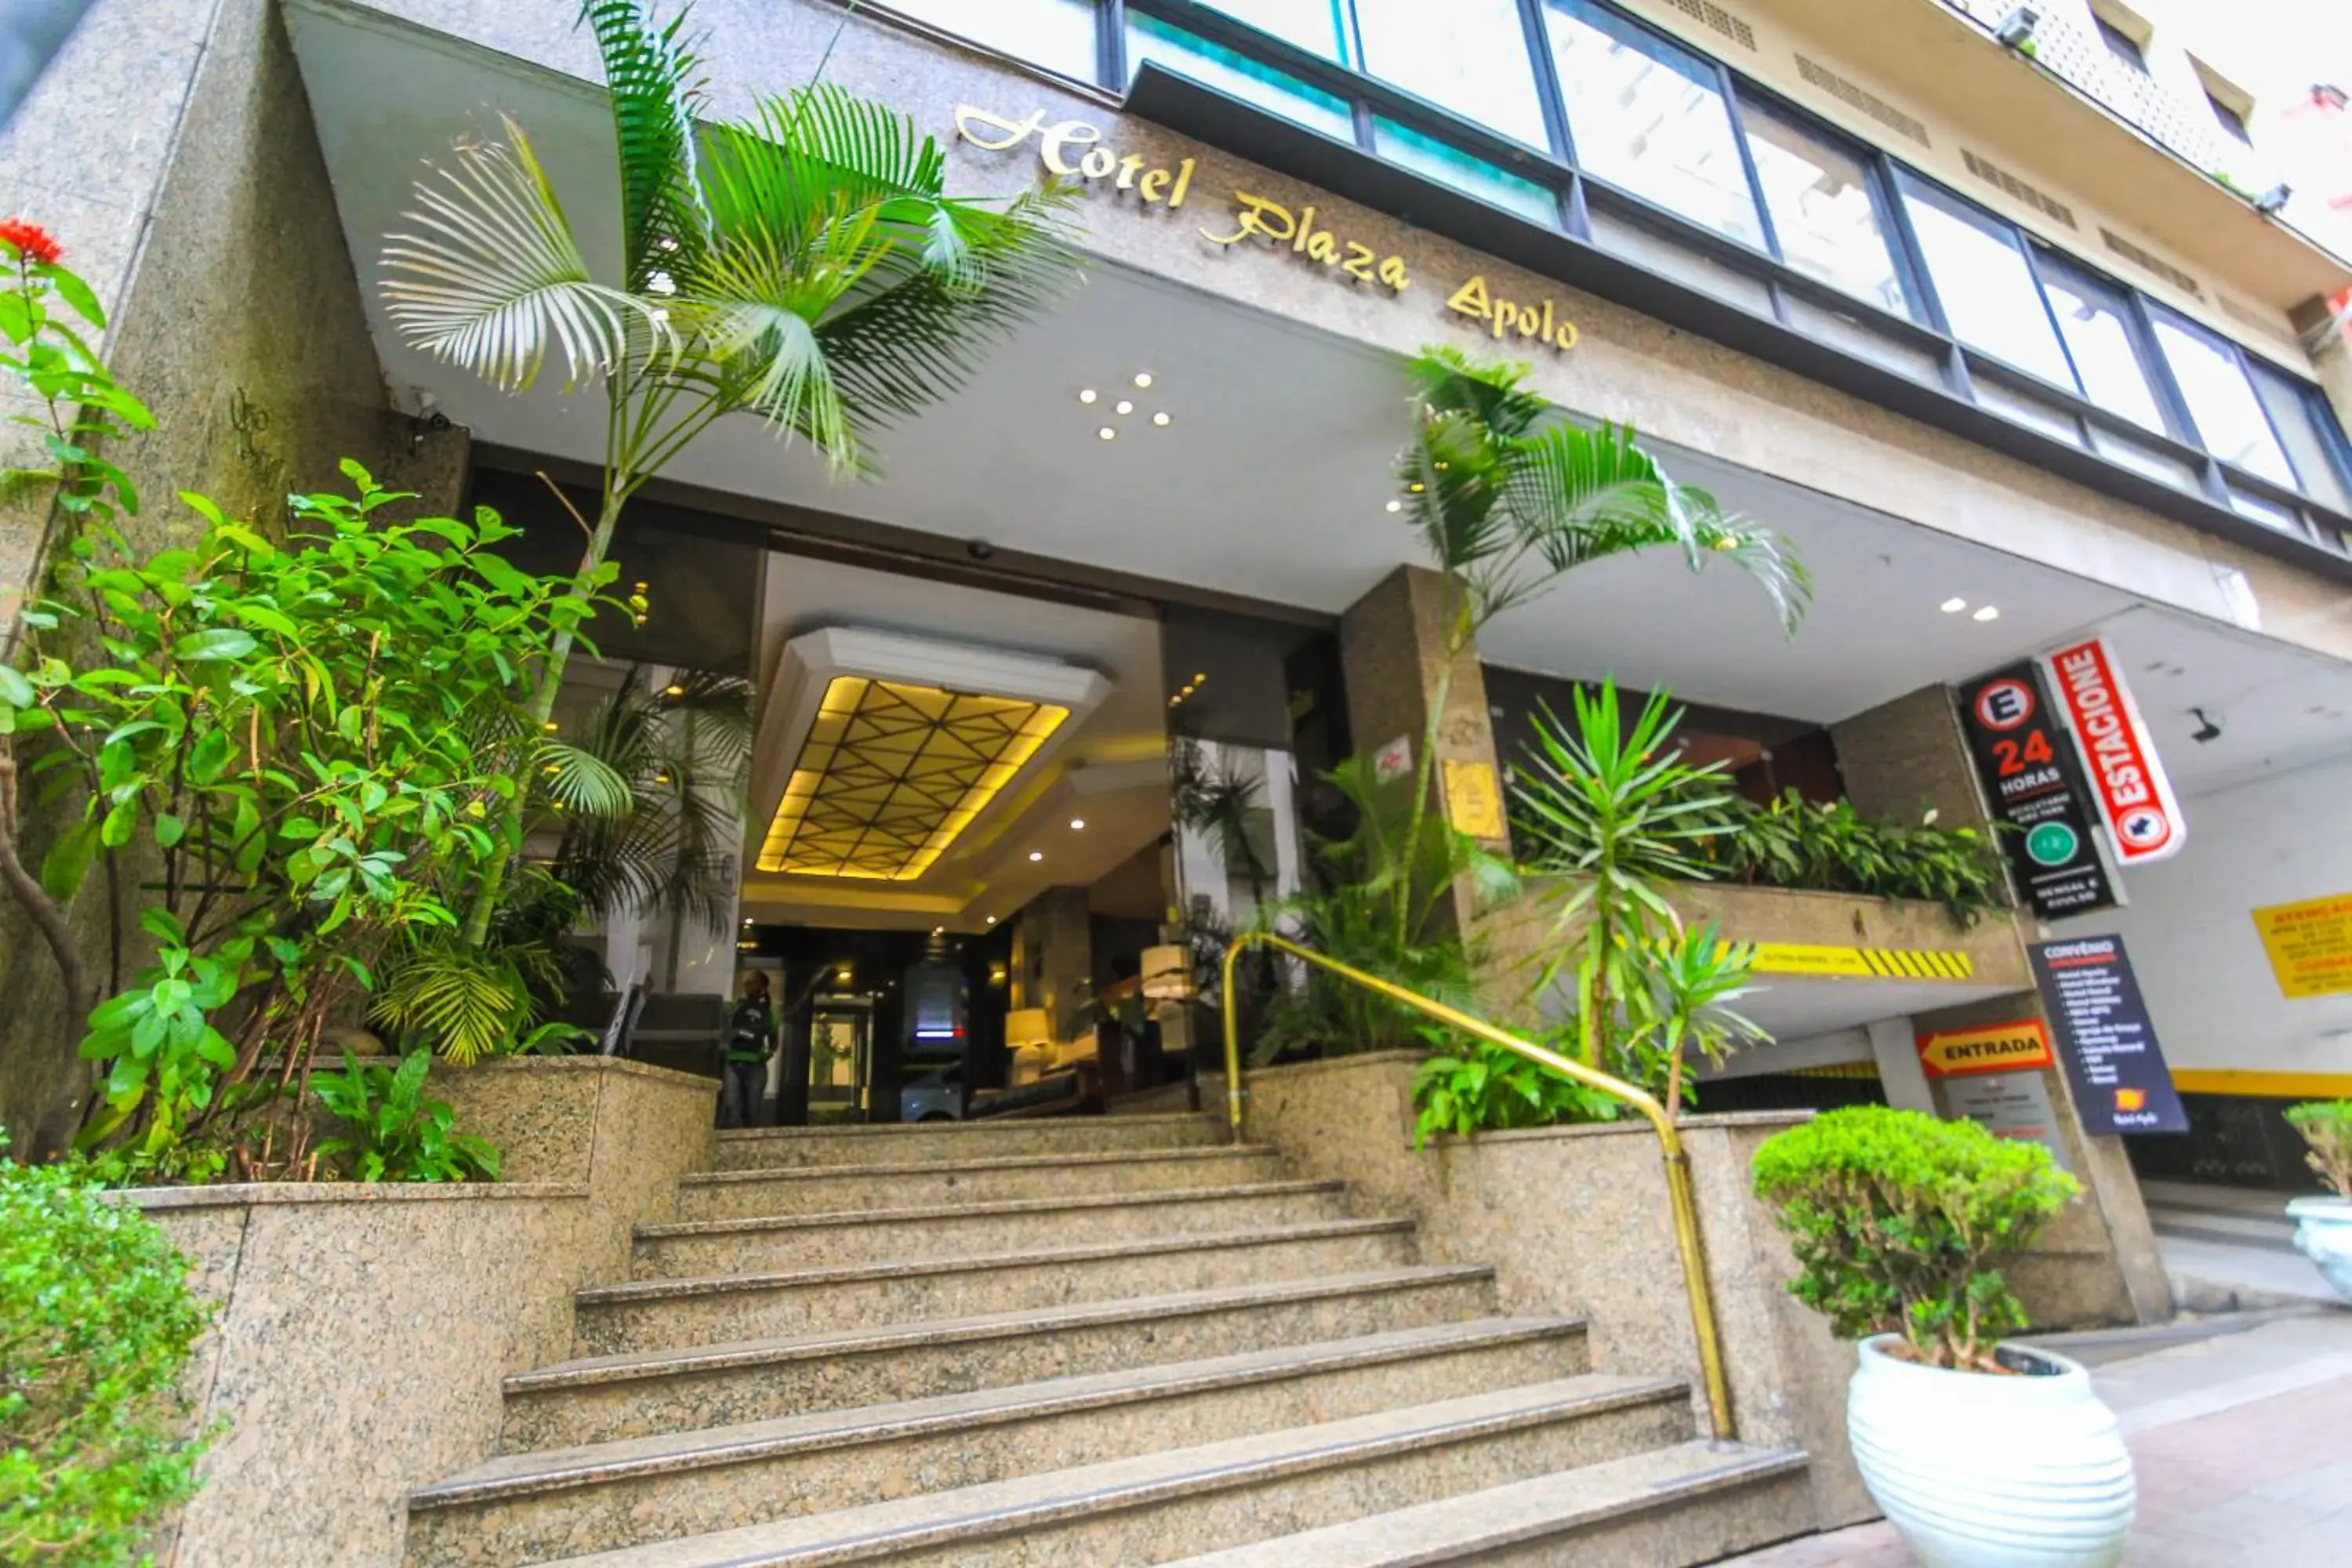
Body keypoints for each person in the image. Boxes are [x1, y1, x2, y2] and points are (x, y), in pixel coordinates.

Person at [718, 971, 775, 1129]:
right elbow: (723, 1020)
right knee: (731, 1108)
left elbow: (773, 1039)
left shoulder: (768, 1012)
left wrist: (767, 1054)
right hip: (733, 1061)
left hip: (755, 1065)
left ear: (762, 987)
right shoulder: (737, 1006)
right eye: (747, 982)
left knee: (752, 1111)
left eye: (754, 982)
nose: (749, 986)